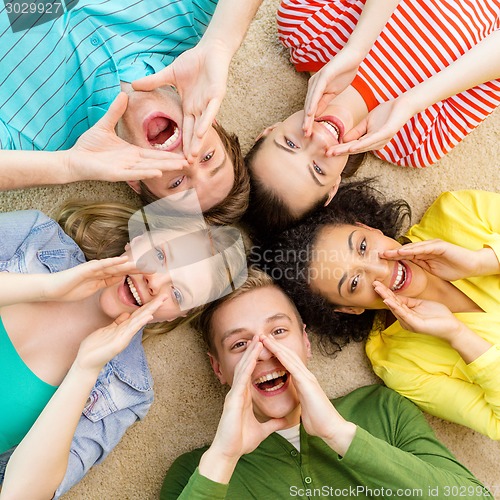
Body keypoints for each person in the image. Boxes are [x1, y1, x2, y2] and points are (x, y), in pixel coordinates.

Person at [160, 268, 492, 498]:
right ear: (219, 369)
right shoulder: (197, 472)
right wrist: (223, 458)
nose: (263, 353)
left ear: (305, 342)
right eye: (240, 345)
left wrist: (341, 435)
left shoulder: (383, 409)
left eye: (278, 332)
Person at [0, 198, 247, 498]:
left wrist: (84, 370)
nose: (155, 281)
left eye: (178, 293)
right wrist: (48, 288)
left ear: (178, 315)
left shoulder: (127, 392)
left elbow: (20, 494)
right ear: (139, 237)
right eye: (160, 255)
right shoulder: (35, 236)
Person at [257, 181, 500, 439]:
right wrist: (458, 335)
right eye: (354, 283)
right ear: (350, 308)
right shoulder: (399, 365)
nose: (383, 270)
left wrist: (480, 262)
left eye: (363, 246)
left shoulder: (457, 212)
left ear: (368, 227)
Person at [243, 0, 500, 236]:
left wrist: (357, 47)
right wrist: (413, 101)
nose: (319, 140)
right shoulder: (417, 145)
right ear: (333, 188)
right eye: (318, 170)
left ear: (269, 130)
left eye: (290, 144)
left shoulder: (304, 29)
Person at [0, 0, 253, 224]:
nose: (186, 161)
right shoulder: (188, 23)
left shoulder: (35, 139)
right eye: (207, 157)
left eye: (177, 183)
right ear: (214, 123)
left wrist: (69, 166)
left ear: (136, 182)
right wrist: (220, 44)